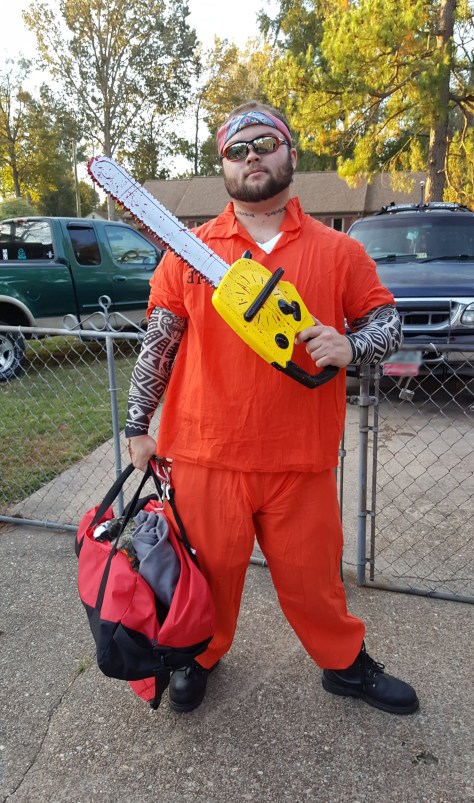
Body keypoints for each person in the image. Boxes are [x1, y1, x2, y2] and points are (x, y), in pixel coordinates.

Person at [125, 101, 419, 717]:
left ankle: (343, 664)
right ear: (223, 165)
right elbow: (159, 343)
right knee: (206, 577)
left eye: (264, 143)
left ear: (290, 154)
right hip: (204, 454)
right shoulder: (189, 251)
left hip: (300, 459)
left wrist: (354, 344)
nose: (251, 155)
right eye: (237, 149)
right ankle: (196, 655)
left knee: (315, 582)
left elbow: (387, 321)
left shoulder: (338, 250)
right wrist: (136, 425)